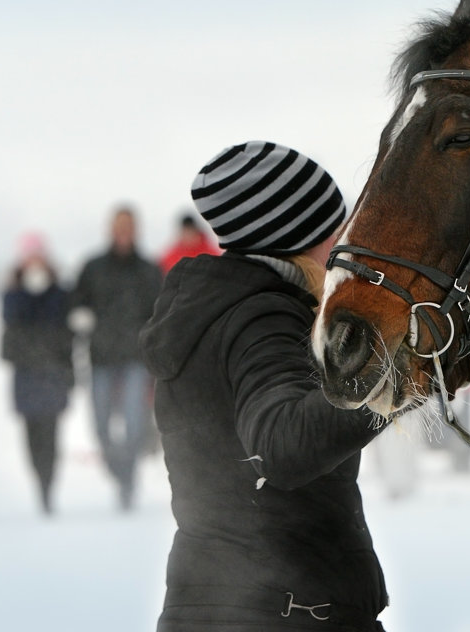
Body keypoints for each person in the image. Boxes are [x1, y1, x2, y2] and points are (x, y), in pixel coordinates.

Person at [141, 141, 415, 631]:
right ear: (301, 236)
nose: (350, 242)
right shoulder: (261, 316)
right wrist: (400, 374)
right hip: (281, 611)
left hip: (227, 604)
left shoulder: (220, 308)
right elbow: (282, 445)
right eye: (339, 228)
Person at [72, 204, 162, 510]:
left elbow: (161, 314)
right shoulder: (93, 267)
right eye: (118, 226)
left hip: (136, 360)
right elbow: (75, 302)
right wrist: (80, 318)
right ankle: (121, 474)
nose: (123, 232)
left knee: (135, 427)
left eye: (129, 226)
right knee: (101, 428)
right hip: (101, 359)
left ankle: (128, 479)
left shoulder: (149, 270)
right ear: (110, 229)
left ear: (136, 231)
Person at [0, 232, 75, 515]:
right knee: (32, 437)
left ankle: (48, 484)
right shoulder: (12, 290)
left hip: (53, 373)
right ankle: (40, 482)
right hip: (27, 376)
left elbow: (64, 327)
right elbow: (11, 324)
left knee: (52, 435)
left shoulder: (59, 289)